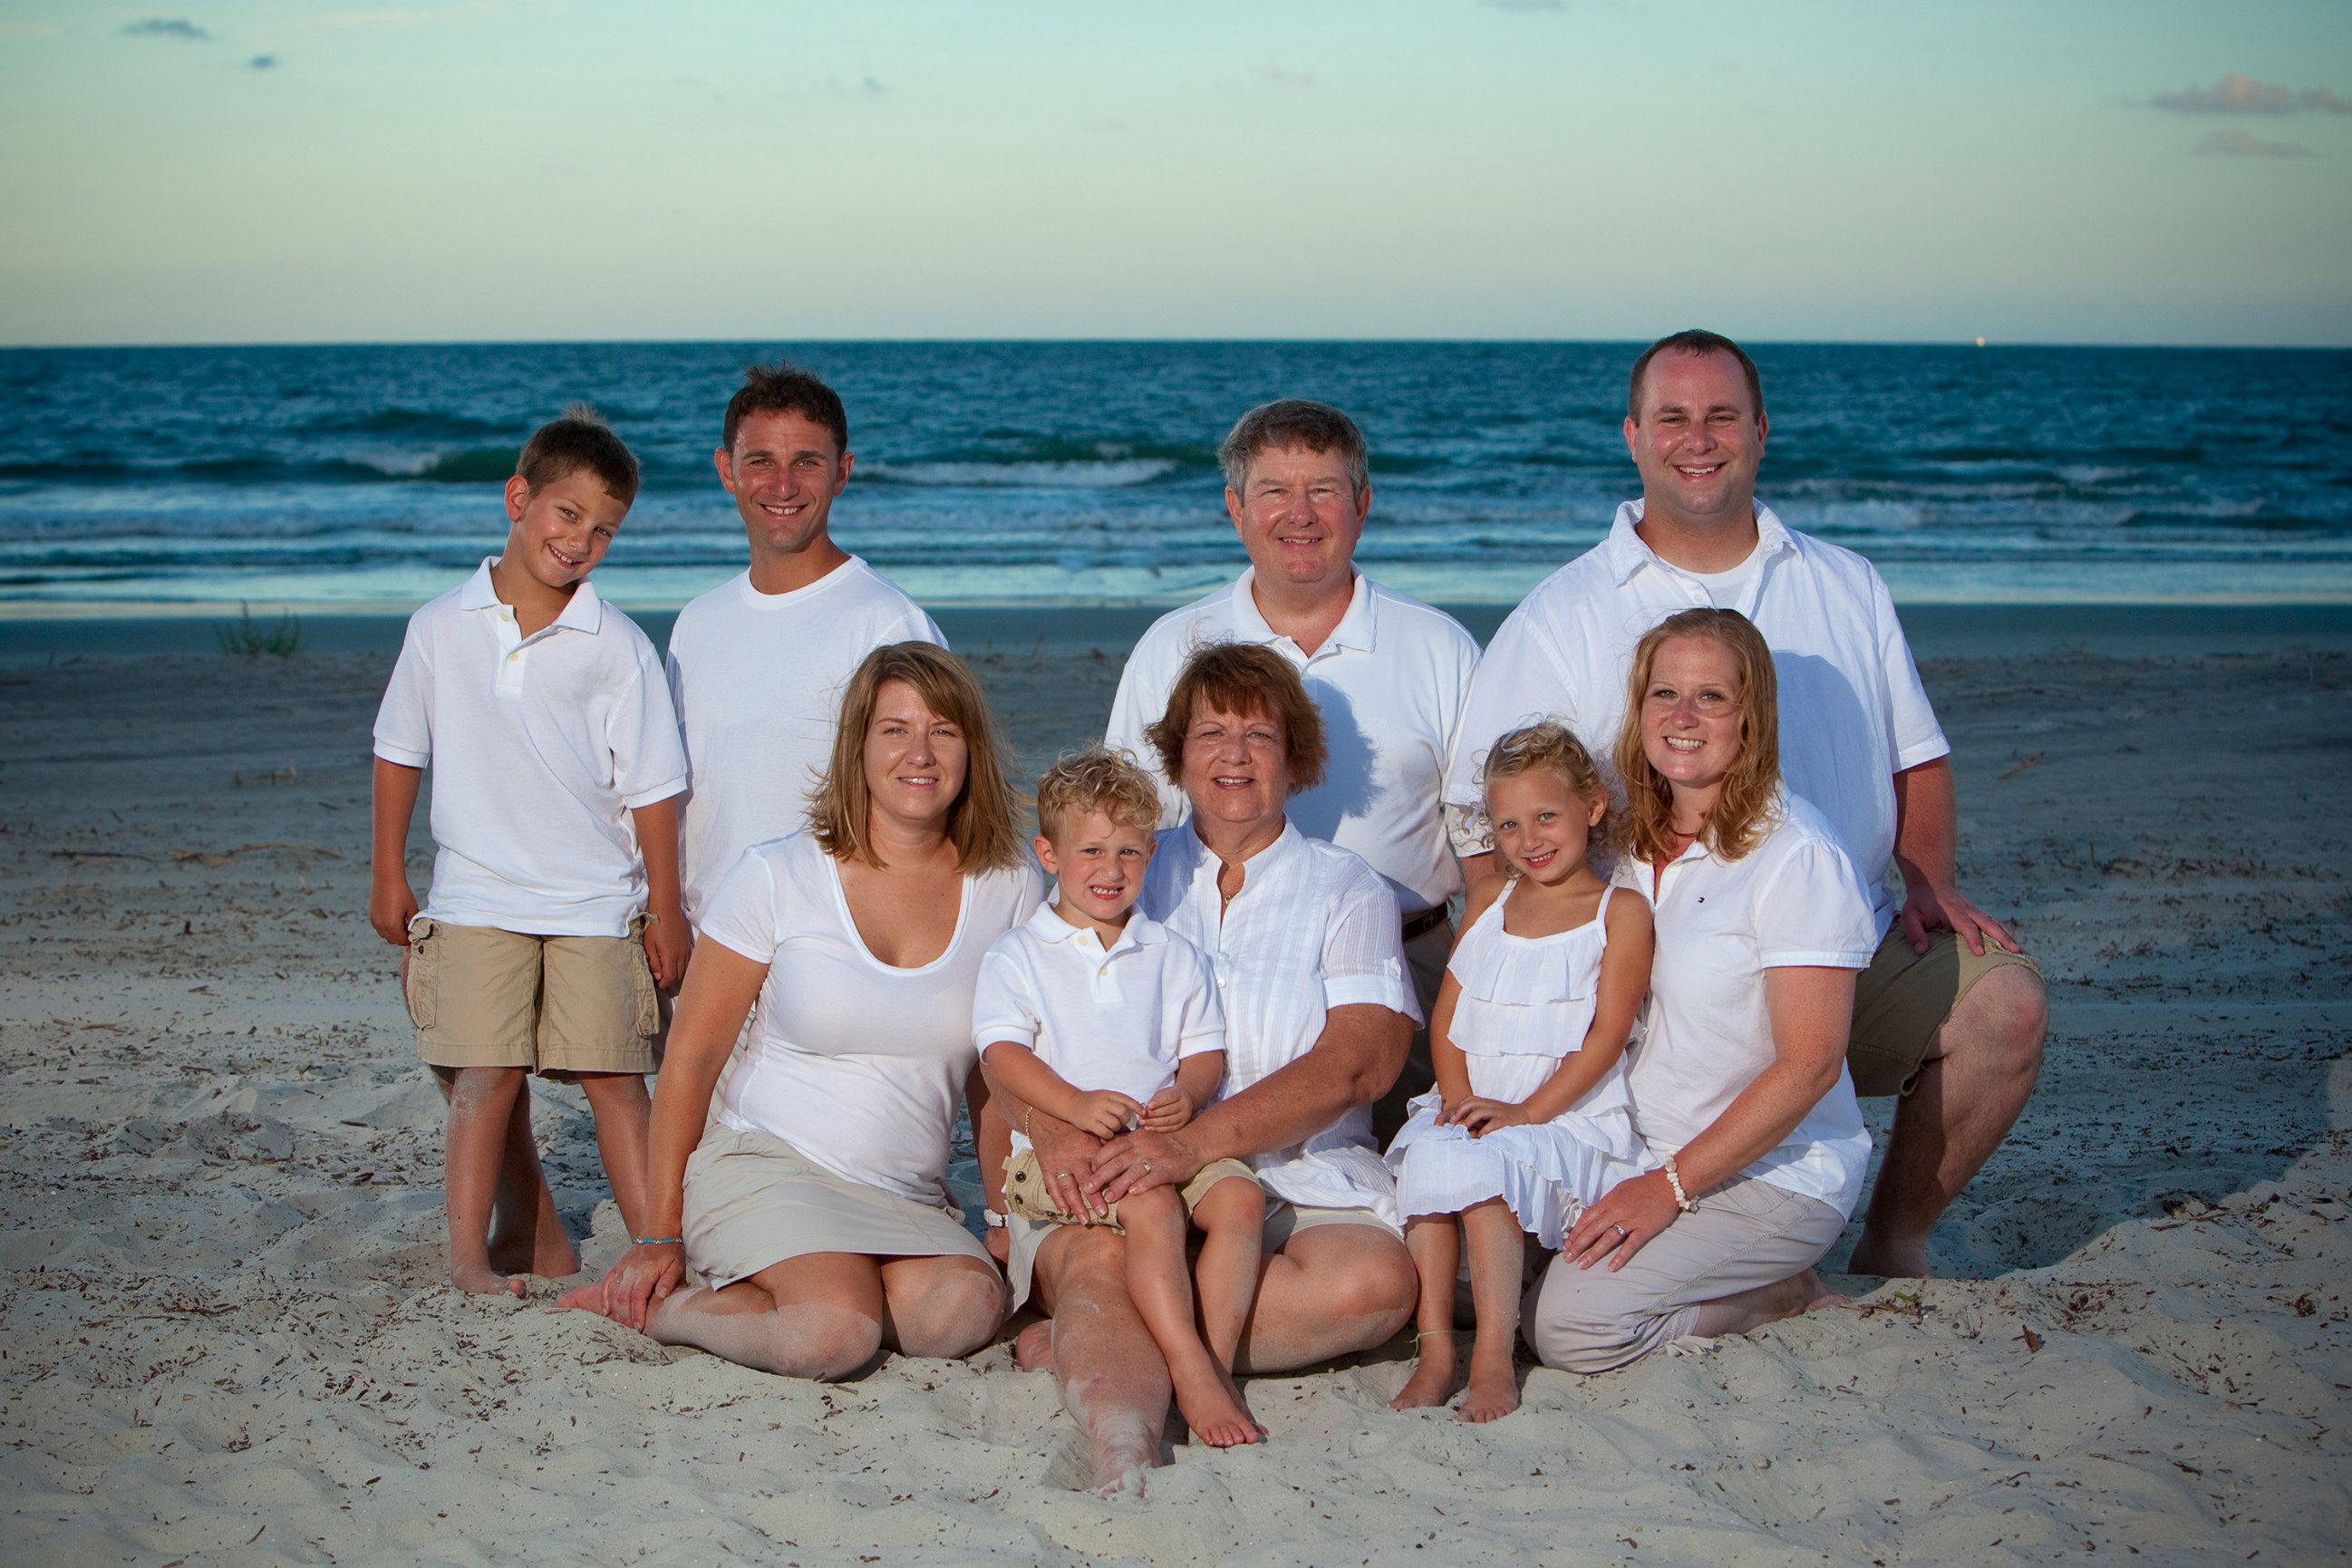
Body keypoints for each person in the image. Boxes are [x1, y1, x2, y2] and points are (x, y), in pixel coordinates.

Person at [1445, 331, 2047, 1278]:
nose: (1699, 437)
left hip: (1832, 953)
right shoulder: (1566, 610)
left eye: (1721, 415)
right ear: (1633, 436)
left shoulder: (1844, 584)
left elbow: (1915, 754)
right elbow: (1481, 807)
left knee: (2003, 1004)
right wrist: (1521, 939)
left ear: (1760, 430)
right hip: (1646, 977)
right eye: (1673, 418)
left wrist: (1931, 880)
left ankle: (1891, 1241)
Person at [998, 643, 1421, 1496]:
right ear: (1177, 754)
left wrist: (1192, 1147)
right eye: (1210, 733)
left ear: (1294, 759)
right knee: (1109, 1251)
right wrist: (1052, 1131)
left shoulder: (1347, 890)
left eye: (1259, 735)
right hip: (1120, 1174)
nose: (1233, 755)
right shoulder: (1119, 865)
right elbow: (1014, 1022)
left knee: (1373, 1284)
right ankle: (1151, 1398)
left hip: (1297, 1181)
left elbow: (1360, 1065)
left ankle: (1105, 1334)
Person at [558, 644, 1036, 1379]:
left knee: (960, 1314)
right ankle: (669, 1309)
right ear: (857, 747)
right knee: (832, 1334)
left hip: (903, 1190)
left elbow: (998, 1078)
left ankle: (815, 1281)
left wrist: (1003, 1216)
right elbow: (691, 1060)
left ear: (970, 748)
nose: (920, 752)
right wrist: (658, 1234)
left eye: (942, 730)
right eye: (894, 729)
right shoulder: (777, 875)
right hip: (767, 1162)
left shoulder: (1008, 886)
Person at [368, 408, 689, 1296]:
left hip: (596, 901)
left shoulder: (618, 645)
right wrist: (387, 868)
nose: (581, 540)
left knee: (616, 1078)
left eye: (604, 529)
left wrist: (665, 904)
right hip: (475, 897)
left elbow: (655, 787)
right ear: (519, 498)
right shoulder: (440, 626)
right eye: (566, 514)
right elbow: (400, 749)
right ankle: (472, 1257)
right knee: (482, 1074)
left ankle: (656, 1244)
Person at [1102, 400, 1480, 1133]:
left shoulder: (1438, 648)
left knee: (1415, 1200)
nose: (1298, 514)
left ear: (1362, 504)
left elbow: (1487, 852)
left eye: (1323, 490)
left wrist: (1476, 990)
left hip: (1411, 964)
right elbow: (1124, 828)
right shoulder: (1172, 644)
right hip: (1204, 972)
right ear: (1235, 508)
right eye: (1274, 491)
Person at [1528, 608, 1874, 1370]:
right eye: (1663, 695)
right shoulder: (1619, 846)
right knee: (1462, 1270)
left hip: (1765, 1172)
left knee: (1569, 1329)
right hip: (1623, 1145)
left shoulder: (1796, 858)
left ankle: (1777, 1293)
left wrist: (1667, 1189)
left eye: (1711, 698)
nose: (1682, 718)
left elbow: (1811, 1064)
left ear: (1751, 717)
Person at [974, 748, 1266, 1449]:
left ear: (1152, 852)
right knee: (1152, 1205)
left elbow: (1203, 1051)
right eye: (1092, 851)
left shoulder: (1170, 952)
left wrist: (1188, 1095)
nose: (1111, 870)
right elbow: (1001, 1054)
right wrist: (1072, 1106)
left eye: (1130, 851)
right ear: (1047, 853)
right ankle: (1188, 1366)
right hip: (1066, 1156)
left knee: (1239, 1200)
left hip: (1159, 1142)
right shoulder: (1018, 954)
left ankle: (1213, 1364)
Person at [1384, 722, 1651, 1421]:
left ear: (1591, 807)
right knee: (1431, 1156)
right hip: (1474, 1098)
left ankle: (1493, 1357)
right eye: (1507, 824)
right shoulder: (1488, 903)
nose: (1528, 838)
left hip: (1565, 1111)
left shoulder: (1616, 912)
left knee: (1490, 1165)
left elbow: (1605, 1035)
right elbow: (1447, 1013)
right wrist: (1455, 1094)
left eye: (1545, 817)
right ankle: (1437, 1348)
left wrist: (1528, 1112)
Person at [668, 361, 943, 922]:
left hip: (830, 942)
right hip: (705, 940)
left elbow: (935, 793)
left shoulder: (888, 624)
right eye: (761, 461)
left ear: (842, 473)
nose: (783, 486)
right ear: (727, 470)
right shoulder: (696, 624)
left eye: (807, 463)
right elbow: (674, 791)